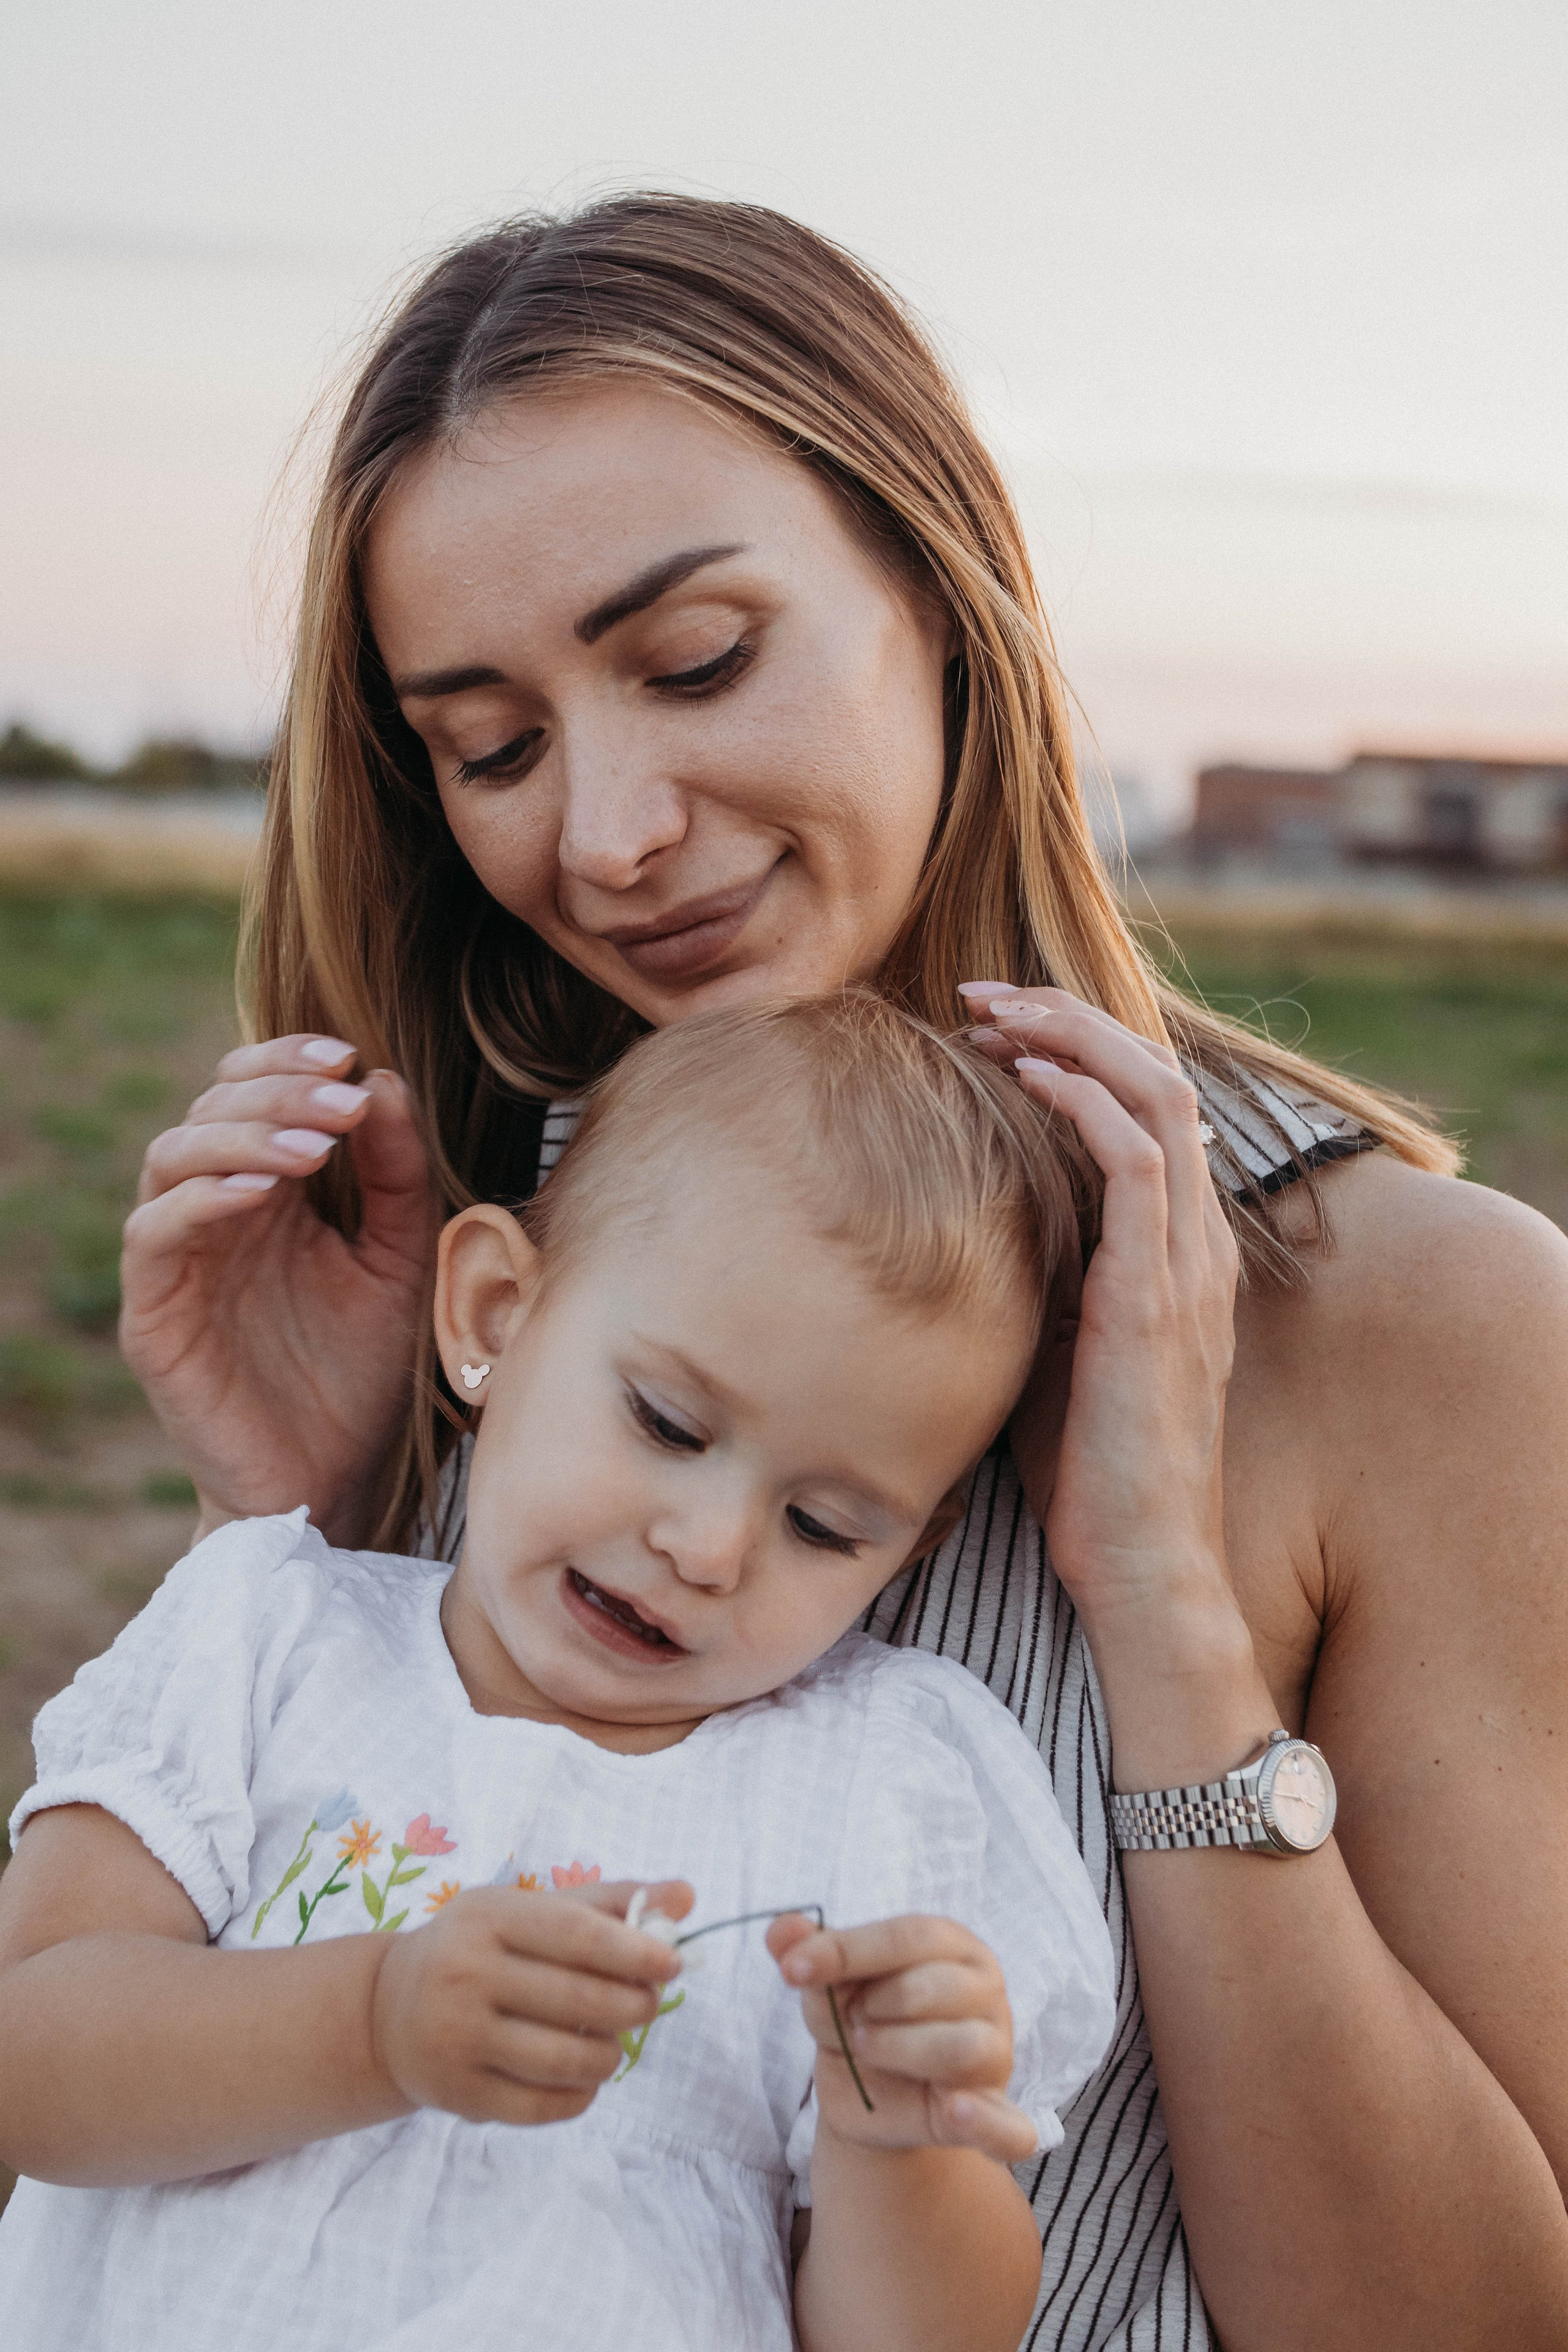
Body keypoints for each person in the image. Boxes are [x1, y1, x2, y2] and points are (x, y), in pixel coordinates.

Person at [114, 196, 1568, 2350]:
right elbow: (210, 2159)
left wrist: (1165, 1611)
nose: (606, 832)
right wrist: (316, 1528)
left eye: (698, 659)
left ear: (946, 592)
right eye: (494, 746)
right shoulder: (497, 1248)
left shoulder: (1414, 1316)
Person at [0, 997, 1117, 2352]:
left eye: (824, 1527)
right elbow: (29, 2056)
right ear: (494, 1312)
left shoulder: (874, 1794)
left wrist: (898, 2144)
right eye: (667, 1423)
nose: (708, 1550)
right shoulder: (270, 1637)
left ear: (910, 1549)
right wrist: (373, 2024)